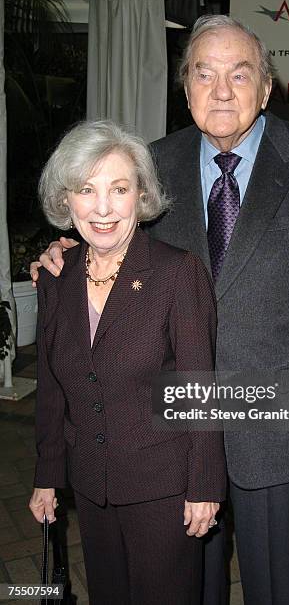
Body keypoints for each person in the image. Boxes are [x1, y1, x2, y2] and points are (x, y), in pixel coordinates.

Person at [31, 15, 289, 605]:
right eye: (204, 75)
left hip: (277, 422)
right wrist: (60, 253)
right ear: (185, 90)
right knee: (191, 588)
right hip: (180, 435)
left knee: (276, 586)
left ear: (266, 89)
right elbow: (109, 229)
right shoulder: (153, 164)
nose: (221, 91)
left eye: (239, 75)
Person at [28, 120, 227, 605]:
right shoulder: (56, 277)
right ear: (65, 200)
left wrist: (204, 485)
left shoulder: (176, 273)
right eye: (86, 189)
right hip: (92, 485)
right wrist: (47, 475)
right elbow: (54, 388)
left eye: (119, 189)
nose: (101, 208)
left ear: (141, 196)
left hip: (164, 487)